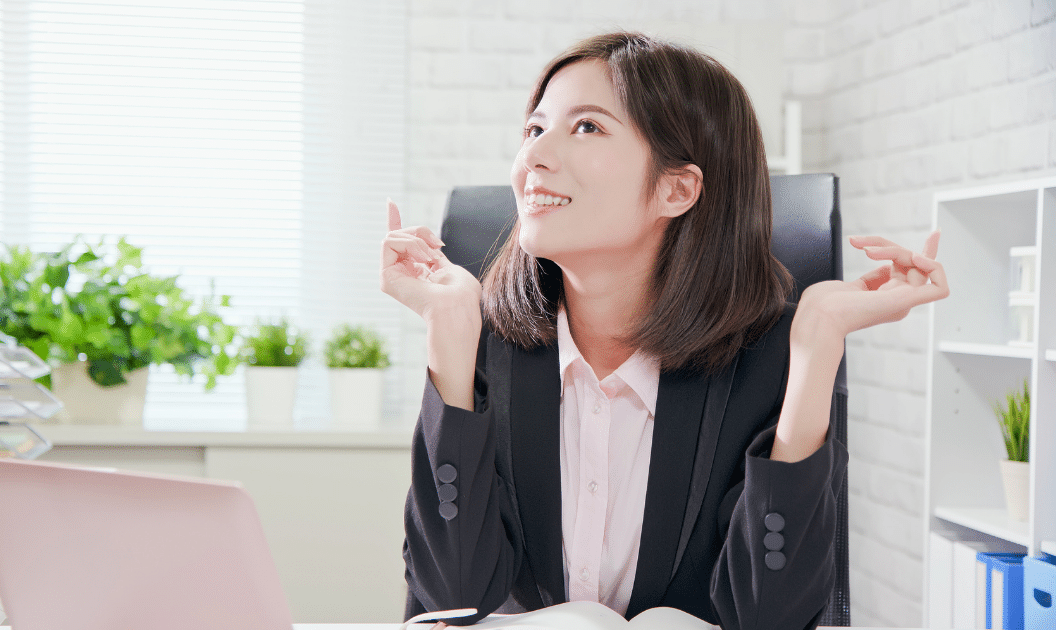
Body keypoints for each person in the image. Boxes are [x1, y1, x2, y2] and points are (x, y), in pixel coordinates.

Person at [380, 32, 947, 630]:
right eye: (534, 129)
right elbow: (451, 597)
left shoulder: (766, 359)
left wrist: (815, 349)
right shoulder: (481, 343)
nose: (534, 160)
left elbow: (773, 618)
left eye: (587, 127)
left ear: (677, 189)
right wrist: (447, 334)